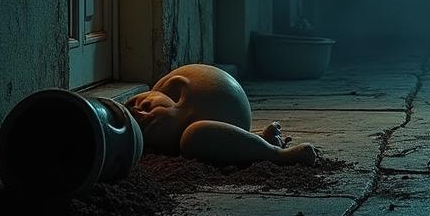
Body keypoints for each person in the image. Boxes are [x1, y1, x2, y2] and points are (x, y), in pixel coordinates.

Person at [126, 64, 319, 165]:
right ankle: (257, 141)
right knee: (192, 137)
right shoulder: (169, 125)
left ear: (177, 92)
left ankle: (276, 154)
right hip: (230, 123)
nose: (140, 113)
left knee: (193, 136)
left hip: (230, 113)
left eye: (145, 105)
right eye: (141, 125)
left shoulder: (174, 93)